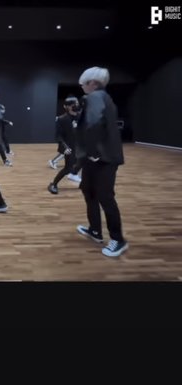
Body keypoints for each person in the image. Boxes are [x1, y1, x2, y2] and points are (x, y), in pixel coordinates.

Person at [75, 67, 129, 258]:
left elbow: (94, 124)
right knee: (88, 190)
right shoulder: (104, 97)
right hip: (98, 156)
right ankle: (95, 230)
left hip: (102, 157)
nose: (82, 86)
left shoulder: (95, 97)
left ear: (93, 83)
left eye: (83, 83)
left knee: (105, 196)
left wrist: (92, 152)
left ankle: (118, 239)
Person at [47, 96, 82, 194]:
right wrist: (65, 147)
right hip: (70, 147)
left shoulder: (81, 116)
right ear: (68, 107)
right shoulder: (62, 119)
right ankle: (53, 184)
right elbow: (58, 136)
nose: (76, 105)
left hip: (81, 146)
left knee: (85, 164)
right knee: (68, 168)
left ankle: (79, 179)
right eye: (74, 104)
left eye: (77, 103)